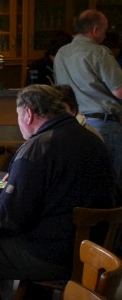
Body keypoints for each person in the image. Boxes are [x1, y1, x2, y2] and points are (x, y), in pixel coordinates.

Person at [0, 84, 121, 300]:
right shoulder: (91, 139)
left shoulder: (39, 147)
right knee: (16, 232)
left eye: (17, 116)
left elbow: (6, 216)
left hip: (52, 257)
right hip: (94, 254)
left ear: (28, 113)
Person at [54, 10, 122, 180]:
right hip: (103, 125)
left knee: (87, 178)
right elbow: (119, 90)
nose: (105, 35)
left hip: (74, 123)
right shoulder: (99, 52)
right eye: (104, 30)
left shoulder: (61, 54)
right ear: (95, 30)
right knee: (111, 180)